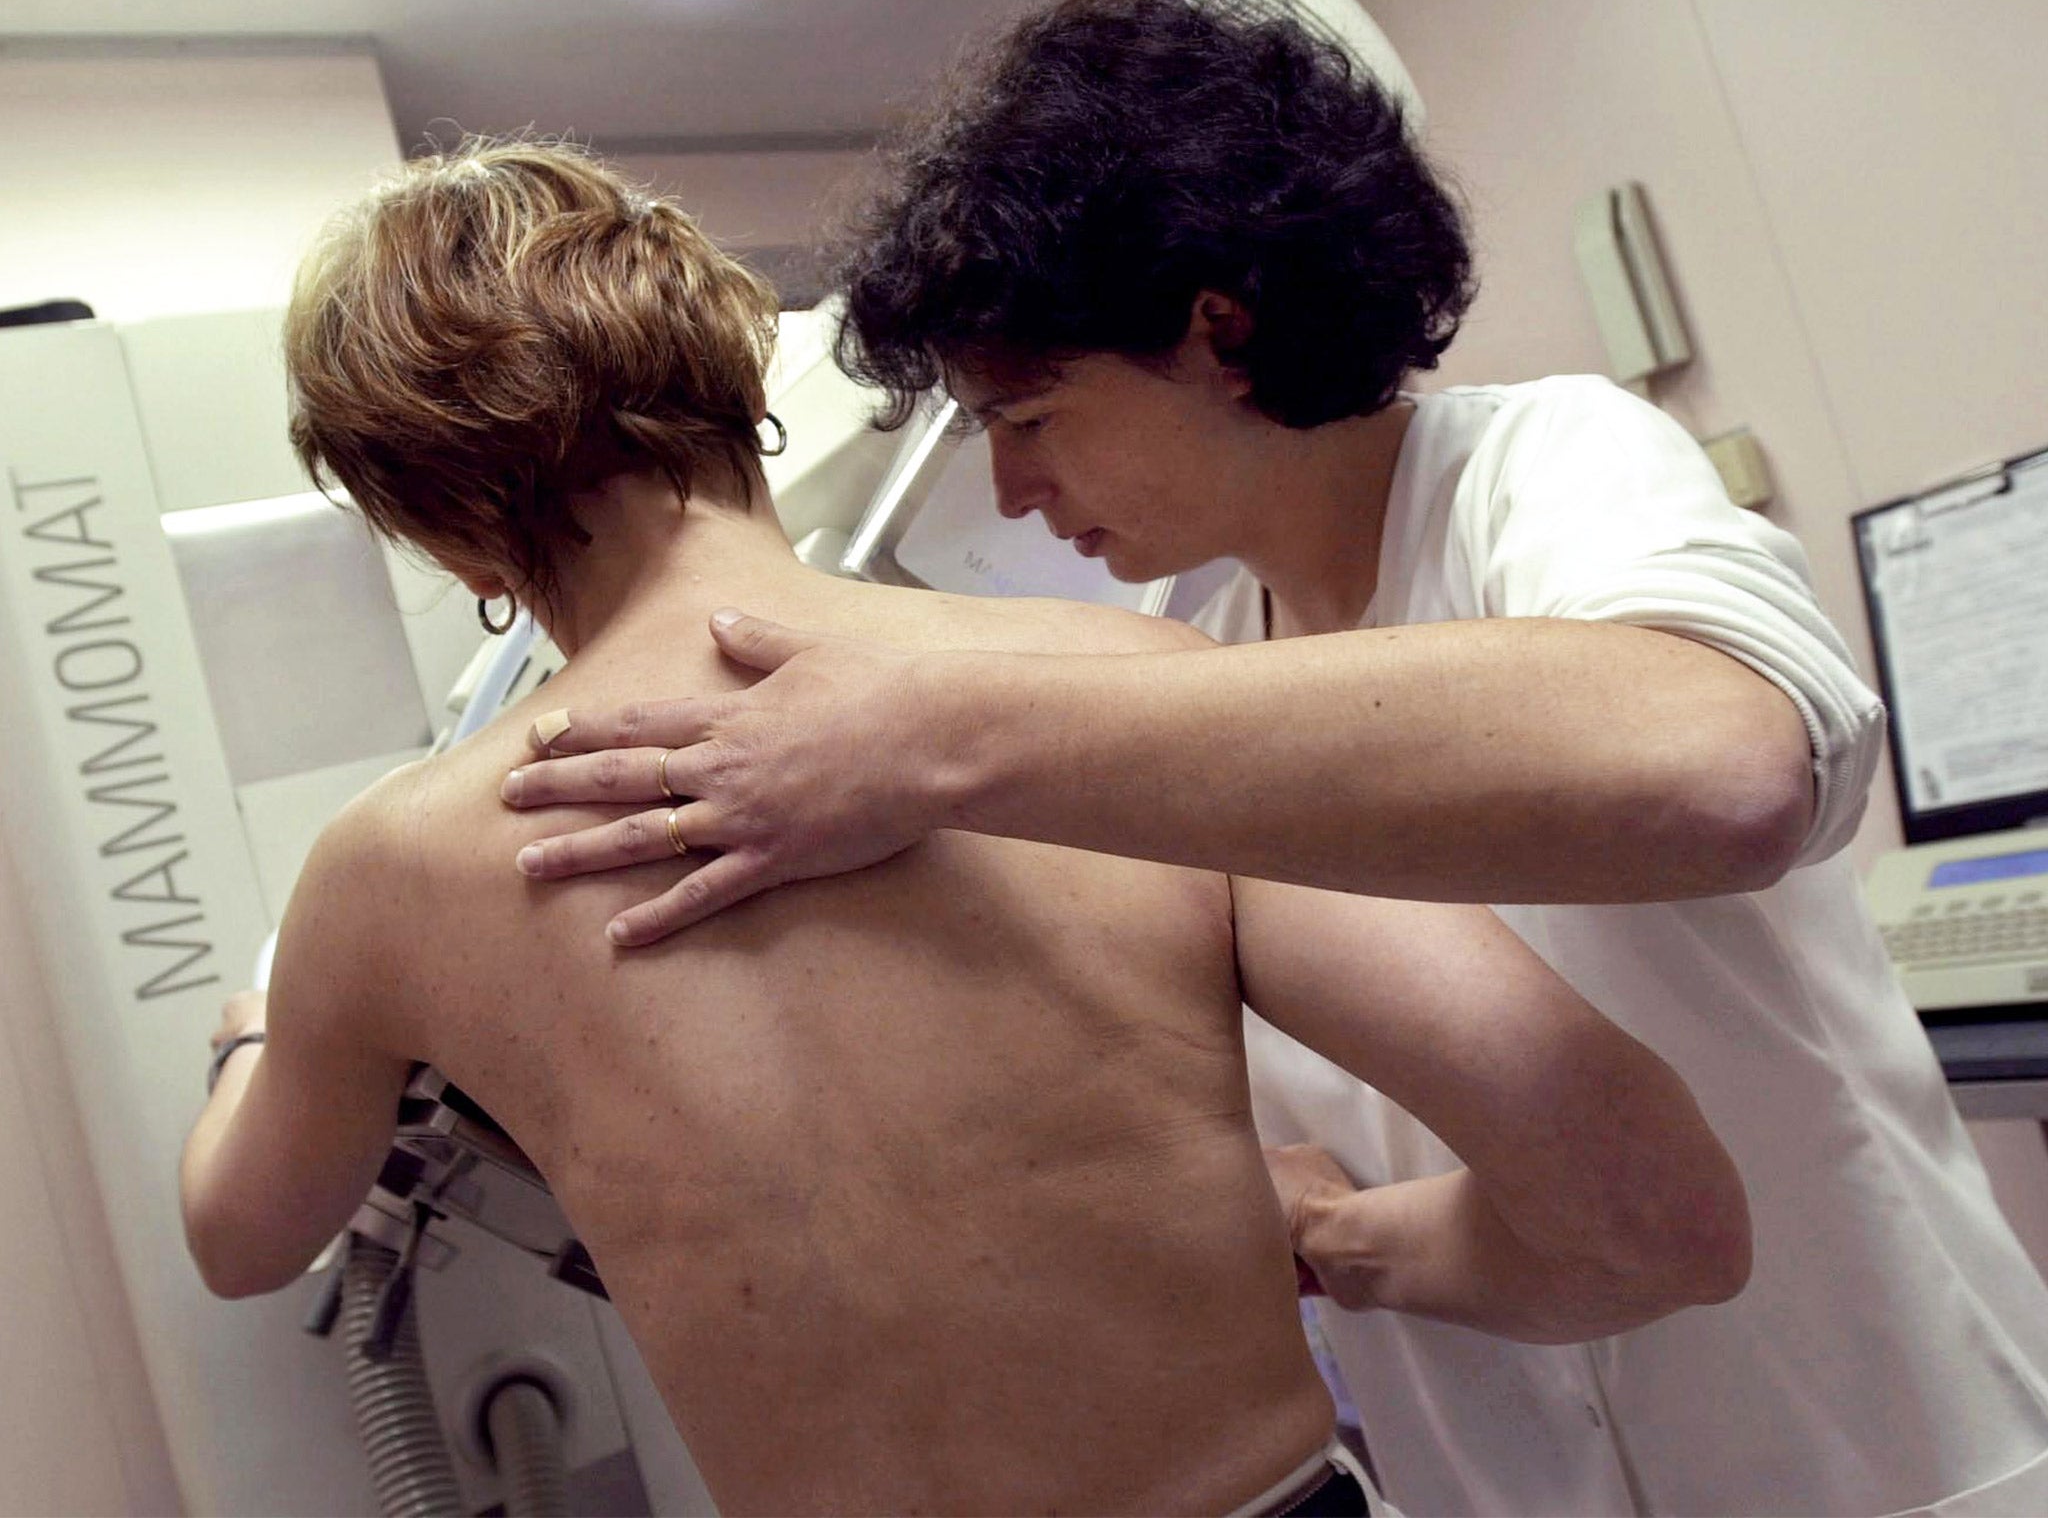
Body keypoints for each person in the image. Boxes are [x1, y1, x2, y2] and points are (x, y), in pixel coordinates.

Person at [500, 0, 2048, 1515]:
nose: (1018, 490)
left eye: (1031, 415)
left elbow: (1722, 766)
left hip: (1871, 1444)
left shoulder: (1544, 469)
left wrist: (944, 726)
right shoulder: (1204, 661)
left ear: (1219, 334)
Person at [177, 139, 1750, 1517]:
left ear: (448, 528)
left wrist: (257, 1037)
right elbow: (1654, 1211)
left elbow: (244, 1238)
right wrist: (1338, 1237)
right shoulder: (1136, 702)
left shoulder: (388, 881)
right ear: (738, 386)